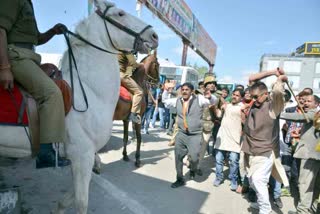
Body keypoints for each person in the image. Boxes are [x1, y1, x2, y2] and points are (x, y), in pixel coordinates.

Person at [0, 0, 70, 168]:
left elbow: (36, 39)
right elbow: (1, 31)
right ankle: (45, 153)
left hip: (30, 56)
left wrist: (53, 31)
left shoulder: (27, 3)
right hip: (16, 56)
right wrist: (4, 67)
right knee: (51, 93)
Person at [241, 69, 289, 214]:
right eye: (252, 96)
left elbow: (279, 93)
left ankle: (265, 209)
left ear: (266, 94)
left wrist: (280, 79)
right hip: (249, 149)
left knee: (258, 180)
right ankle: (261, 201)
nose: (254, 100)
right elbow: (251, 78)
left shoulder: (273, 106)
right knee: (251, 180)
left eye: (256, 97)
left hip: (266, 151)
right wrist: (273, 71)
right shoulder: (255, 102)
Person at [163, 82, 217, 188]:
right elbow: (165, 100)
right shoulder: (177, 100)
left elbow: (213, 101)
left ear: (192, 91)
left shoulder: (199, 99)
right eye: (182, 89)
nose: (184, 91)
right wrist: (165, 89)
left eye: (187, 89)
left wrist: (211, 96)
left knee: (194, 158)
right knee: (178, 157)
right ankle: (179, 178)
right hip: (181, 134)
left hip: (195, 135)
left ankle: (193, 169)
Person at [281, 94, 320, 214]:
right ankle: (310, 209)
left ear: (317, 104)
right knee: (314, 185)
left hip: (310, 156)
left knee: (305, 184)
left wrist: (279, 114)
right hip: (315, 155)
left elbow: (298, 117)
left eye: (309, 101)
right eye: (305, 101)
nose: (306, 103)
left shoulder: (314, 113)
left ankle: (303, 211)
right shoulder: (316, 116)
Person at [213, 89, 244, 191]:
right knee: (218, 160)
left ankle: (233, 180)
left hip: (235, 139)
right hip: (222, 137)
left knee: (234, 161)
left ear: (241, 98)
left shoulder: (242, 107)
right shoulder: (226, 105)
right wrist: (216, 108)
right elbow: (218, 115)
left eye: (237, 95)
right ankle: (218, 177)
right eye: (233, 94)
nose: (234, 97)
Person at [118, 52, 145, 124]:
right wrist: (142, 64)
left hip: (112, 73)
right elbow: (134, 64)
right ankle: (133, 114)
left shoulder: (116, 49)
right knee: (139, 92)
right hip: (121, 75)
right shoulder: (126, 50)